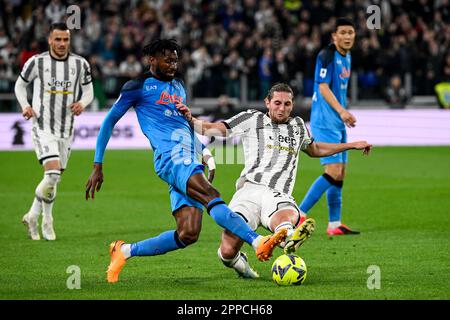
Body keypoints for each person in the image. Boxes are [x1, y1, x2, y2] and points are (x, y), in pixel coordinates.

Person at [85, 39, 288, 283]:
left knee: (188, 233)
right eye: (167, 59)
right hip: (171, 157)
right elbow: (109, 121)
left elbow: (183, 124)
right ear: (152, 60)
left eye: (175, 60)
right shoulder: (137, 86)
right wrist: (98, 164)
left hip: (189, 157)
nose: (173, 64)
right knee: (211, 194)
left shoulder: (179, 86)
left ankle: (124, 251)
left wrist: (205, 151)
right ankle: (258, 241)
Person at [176, 83, 372, 278]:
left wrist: (350, 145)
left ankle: (287, 235)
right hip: (248, 191)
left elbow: (315, 150)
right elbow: (216, 128)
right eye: (277, 103)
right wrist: (191, 119)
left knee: (284, 214)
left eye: (287, 104)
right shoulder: (252, 118)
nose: (282, 108)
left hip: (277, 193)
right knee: (227, 252)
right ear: (267, 102)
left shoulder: (298, 126)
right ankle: (254, 253)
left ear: (292, 105)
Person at [14, 22, 94, 241]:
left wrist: (82, 103)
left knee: (53, 180)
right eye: (57, 39)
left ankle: (32, 216)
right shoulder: (37, 62)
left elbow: (89, 92)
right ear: (49, 40)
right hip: (43, 127)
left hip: (66, 129)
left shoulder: (80, 64)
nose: (61, 43)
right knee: (52, 174)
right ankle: (46, 221)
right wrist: (25, 106)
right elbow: (20, 86)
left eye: (65, 39)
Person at [299, 18, 361, 236]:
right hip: (325, 121)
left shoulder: (348, 56)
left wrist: (343, 113)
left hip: (338, 121)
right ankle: (299, 213)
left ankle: (334, 224)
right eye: (342, 32)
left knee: (341, 172)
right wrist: (342, 111)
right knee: (332, 170)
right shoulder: (326, 55)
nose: (347, 36)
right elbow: (323, 87)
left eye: (350, 32)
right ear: (334, 36)